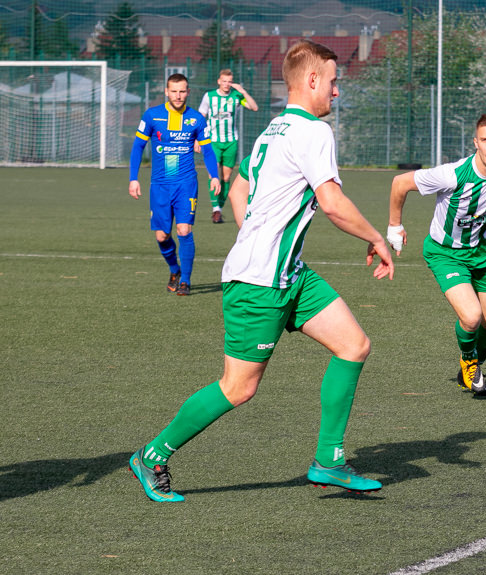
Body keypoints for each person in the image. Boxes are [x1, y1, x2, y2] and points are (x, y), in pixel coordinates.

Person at [129, 39, 394, 502]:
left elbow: (239, 183)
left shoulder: (274, 128)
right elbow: (331, 204)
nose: (336, 92)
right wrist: (377, 238)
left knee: (354, 345)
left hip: (289, 273)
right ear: (312, 80)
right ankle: (152, 455)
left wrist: (253, 232)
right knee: (238, 387)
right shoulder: (314, 132)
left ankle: (329, 461)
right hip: (259, 283)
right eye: (333, 82)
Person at [388, 113, 486, 397]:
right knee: (471, 317)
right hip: (446, 253)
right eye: (485, 140)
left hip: (483, 252)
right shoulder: (453, 174)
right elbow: (399, 183)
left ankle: (469, 368)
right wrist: (394, 227)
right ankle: (469, 361)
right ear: (475, 143)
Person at [129, 73, 220, 296]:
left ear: (188, 92)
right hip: (159, 184)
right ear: (166, 92)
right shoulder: (152, 116)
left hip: (186, 183)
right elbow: (138, 147)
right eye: (174, 91)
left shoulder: (197, 118)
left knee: (184, 229)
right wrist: (133, 178)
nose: (178, 96)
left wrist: (214, 175)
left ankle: (185, 282)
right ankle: (174, 270)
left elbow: (207, 149)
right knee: (161, 236)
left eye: (182, 91)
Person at [196, 69, 259, 224]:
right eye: (224, 81)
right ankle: (215, 209)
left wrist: (242, 91)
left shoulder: (236, 97)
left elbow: (254, 107)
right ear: (219, 81)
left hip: (231, 142)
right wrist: (197, 139)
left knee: (225, 178)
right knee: (214, 176)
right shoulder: (209, 97)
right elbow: (200, 117)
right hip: (213, 142)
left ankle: (220, 208)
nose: (226, 84)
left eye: (229, 81)